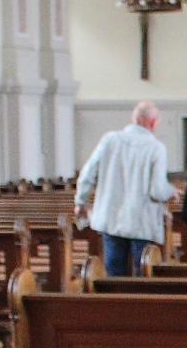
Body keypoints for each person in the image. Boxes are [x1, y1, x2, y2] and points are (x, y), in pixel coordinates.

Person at [75, 101, 177, 277]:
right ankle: (139, 304)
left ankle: (117, 303)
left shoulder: (110, 140)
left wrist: (80, 202)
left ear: (134, 118)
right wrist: (172, 192)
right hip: (142, 221)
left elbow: (87, 174)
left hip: (112, 217)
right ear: (152, 123)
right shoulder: (156, 148)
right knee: (143, 272)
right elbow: (158, 190)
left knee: (114, 272)